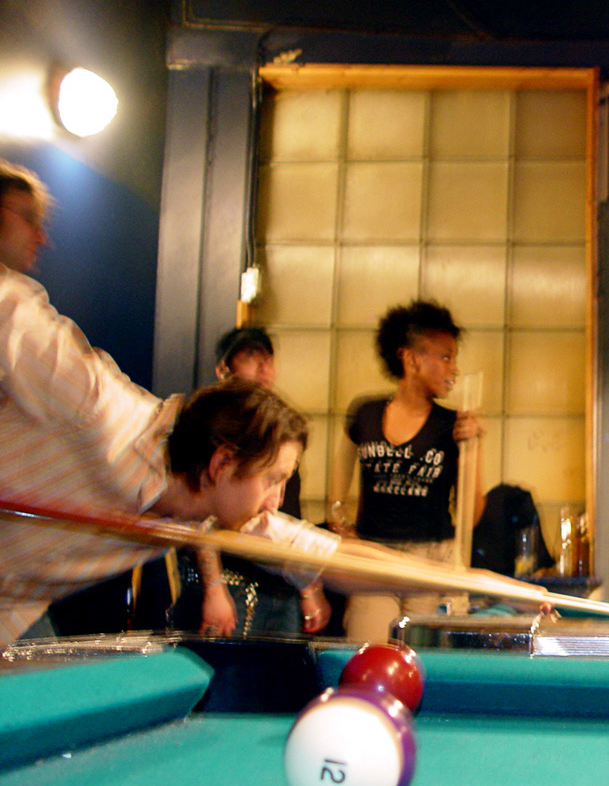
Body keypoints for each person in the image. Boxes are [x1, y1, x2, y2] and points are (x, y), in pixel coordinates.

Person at [0, 160, 503, 647]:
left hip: (11, 607)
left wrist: (479, 582)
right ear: (222, 462)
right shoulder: (94, 404)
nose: (275, 502)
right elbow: (11, 307)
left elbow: (337, 557)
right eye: (273, 480)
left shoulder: (222, 503)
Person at [328, 299, 485, 642]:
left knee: (425, 660)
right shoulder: (365, 413)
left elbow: (472, 514)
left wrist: (474, 447)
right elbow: (337, 486)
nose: (455, 369)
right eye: (446, 357)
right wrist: (340, 523)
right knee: (368, 652)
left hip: (432, 559)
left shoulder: (453, 424)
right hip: (374, 557)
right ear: (411, 358)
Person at [164, 326, 331, 637]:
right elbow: (200, 520)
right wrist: (215, 589)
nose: (263, 367)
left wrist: (308, 586)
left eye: (268, 358)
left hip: (280, 581)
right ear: (223, 369)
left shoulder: (280, 431)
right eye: (251, 357)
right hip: (232, 580)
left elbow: (286, 517)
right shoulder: (208, 424)